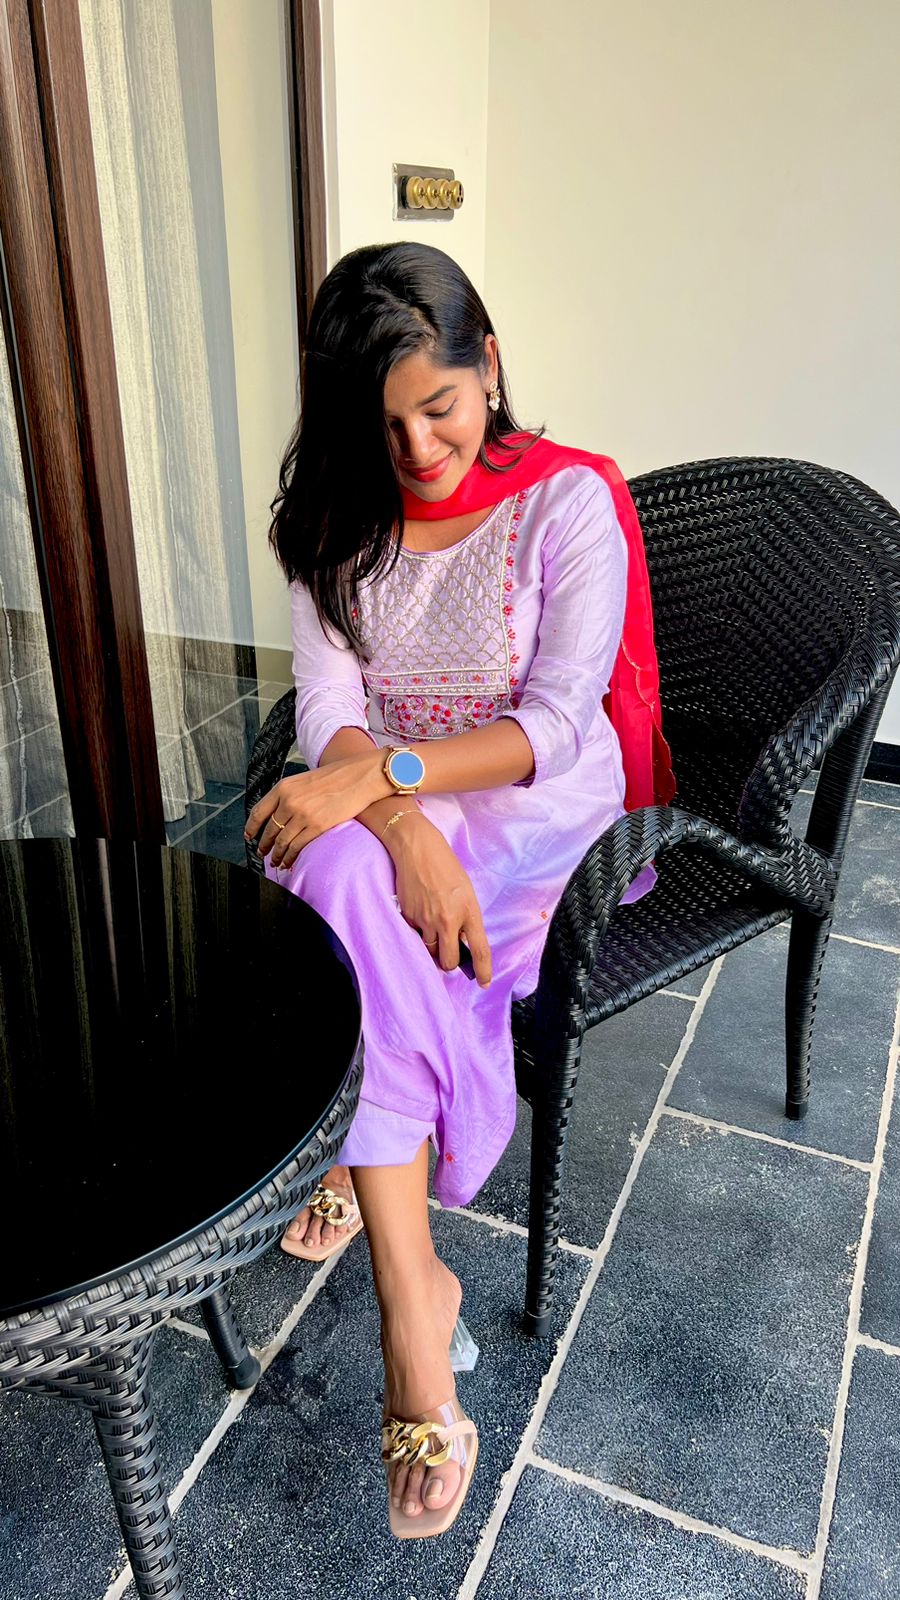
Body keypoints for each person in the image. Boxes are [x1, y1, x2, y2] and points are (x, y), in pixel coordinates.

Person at [245, 241, 672, 1539]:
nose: (418, 449)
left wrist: (389, 787)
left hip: (537, 817)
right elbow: (327, 705)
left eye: (439, 406)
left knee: (342, 893)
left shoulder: (567, 504)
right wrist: (398, 824)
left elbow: (554, 723)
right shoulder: (335, 520)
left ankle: (379, 1191)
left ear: (487, 364)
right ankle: (413, 1294)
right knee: (346, 870)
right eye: (384, 426)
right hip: (404, 809)